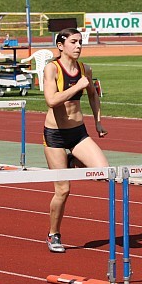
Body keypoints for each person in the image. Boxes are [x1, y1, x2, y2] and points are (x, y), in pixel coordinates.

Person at [43, 28, 108, 253]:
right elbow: (51, 100)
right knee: (63, 190)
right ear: (61, 46)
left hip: (78, 132)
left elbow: (93, 94)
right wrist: (76, 86)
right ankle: (54, 234)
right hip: (55, 135)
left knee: (104, 172)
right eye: (73, 42)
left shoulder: (85, 69)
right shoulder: (52, 69)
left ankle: (72, 161)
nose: (79, 46)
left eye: (80, 42)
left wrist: (98, 121)